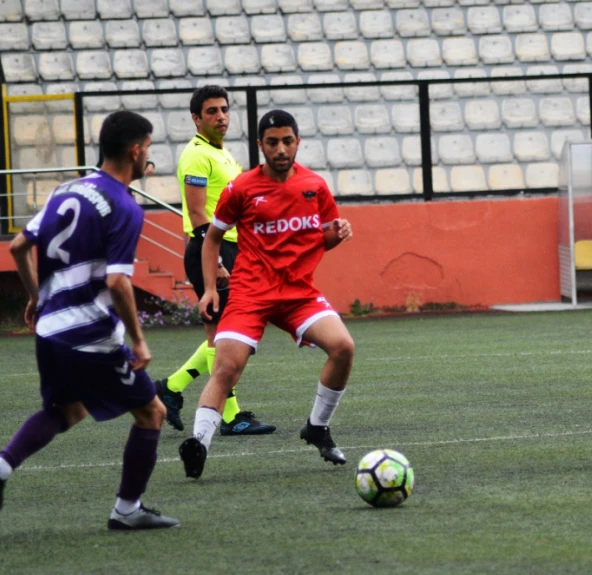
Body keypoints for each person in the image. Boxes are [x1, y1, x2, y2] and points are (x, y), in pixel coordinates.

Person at [0, 111, 179, 530]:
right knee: (152, 412)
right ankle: (127, 509)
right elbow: (118, 282)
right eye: (148, 148)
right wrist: (138, 340)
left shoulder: (69, 188)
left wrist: (36, 297)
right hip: (89, 335)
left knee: (68, 409)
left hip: (50, 331)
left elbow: (19, 246)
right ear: (135, 151)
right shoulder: (125, 207)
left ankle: (2, 467)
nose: (147, 156)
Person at [178, 110, 355, 479]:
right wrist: (210, 288)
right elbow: (211, 237)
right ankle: (198, 445)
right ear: (260, 146)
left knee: (344, 347)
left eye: (287, 140)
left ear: (297, 142)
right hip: (250, 292)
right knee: (226, 367)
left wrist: (336, 237)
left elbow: (321, 237)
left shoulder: (315, 187)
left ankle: (317, 427)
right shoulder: (241, 188)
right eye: (272, 142)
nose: (280, 149)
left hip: (298, 293)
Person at [155, 85, 275, 436]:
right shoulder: (195, 155)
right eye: (211, 111)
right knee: (223, 337)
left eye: (224, 109)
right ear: (196, 118)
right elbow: (196, 213)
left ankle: (172, 387)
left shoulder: (223, 154)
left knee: (231, 333)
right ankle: (230, 415)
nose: (221, 116)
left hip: (233, 249)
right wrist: (217, 263)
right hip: (210, 249)